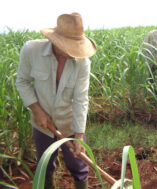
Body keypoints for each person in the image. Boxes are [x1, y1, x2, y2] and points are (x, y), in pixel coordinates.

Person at [16, 13, 97, 189]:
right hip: (42, 125)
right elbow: (22, 81)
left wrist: (78, 135)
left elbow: (81, 99)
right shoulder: (32, 51)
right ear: (56, 41)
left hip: (68, 123)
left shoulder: (82, 63)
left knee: (77, 164)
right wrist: (36, 110)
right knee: (45, 164)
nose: (73, 52)